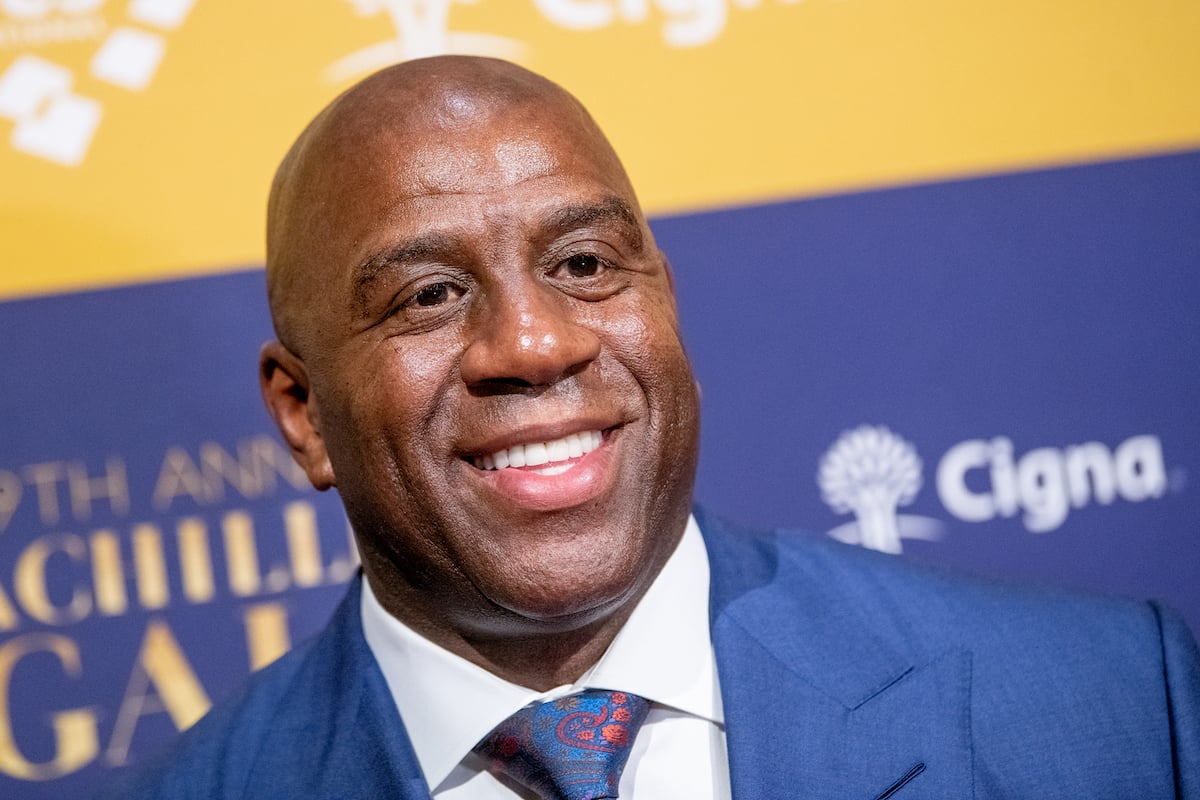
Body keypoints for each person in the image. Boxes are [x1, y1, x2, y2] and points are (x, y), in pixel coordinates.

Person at [102, 55, 1199, 799]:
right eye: (430, 294)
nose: (535, 342)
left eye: (584, 263)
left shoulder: (1107, 705)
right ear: (303, 415)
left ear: (664, 300)